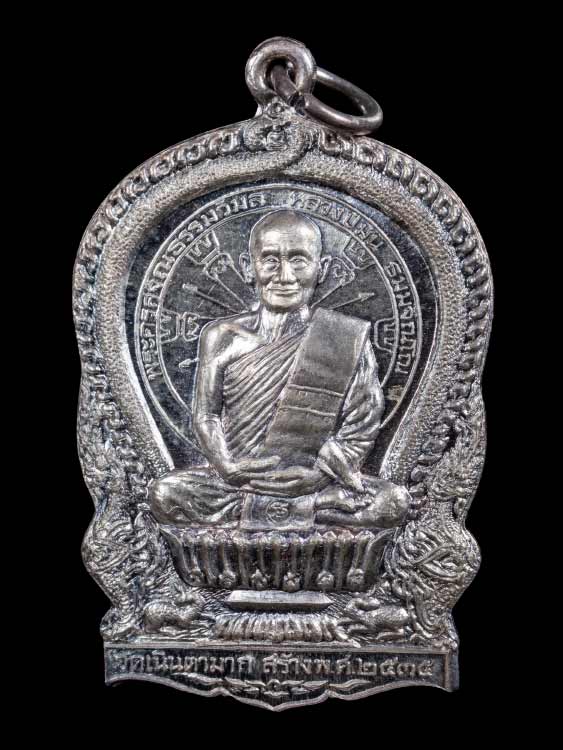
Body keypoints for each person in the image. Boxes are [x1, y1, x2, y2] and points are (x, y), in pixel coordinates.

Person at [149, 210, 409, 529]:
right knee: (164, 494)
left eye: (298, 260)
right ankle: (313, 508)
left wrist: (319, 476)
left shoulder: (344, 337)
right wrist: (226, 466)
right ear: (249, 268)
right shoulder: (221, 337)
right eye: (271, 260)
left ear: (321, 269)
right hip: (238, 482)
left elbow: (361, 424)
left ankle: (295, 505)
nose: (285, 276)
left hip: (313, 479)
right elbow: (207, 415)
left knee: (393, 502)